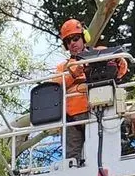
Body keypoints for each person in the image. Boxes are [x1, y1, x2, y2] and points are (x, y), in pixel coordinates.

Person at [55, 18, 129, 167]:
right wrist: (73, 73)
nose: (72, 44)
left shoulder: (99, 52)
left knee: (102, 152)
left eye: (75, 38)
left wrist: (120, 61)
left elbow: (121, 69)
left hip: (100, 110)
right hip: (73, 118)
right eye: (68, 42)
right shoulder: (63, 67)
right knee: (71, 159)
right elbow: (56, 85)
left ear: (84, 38)